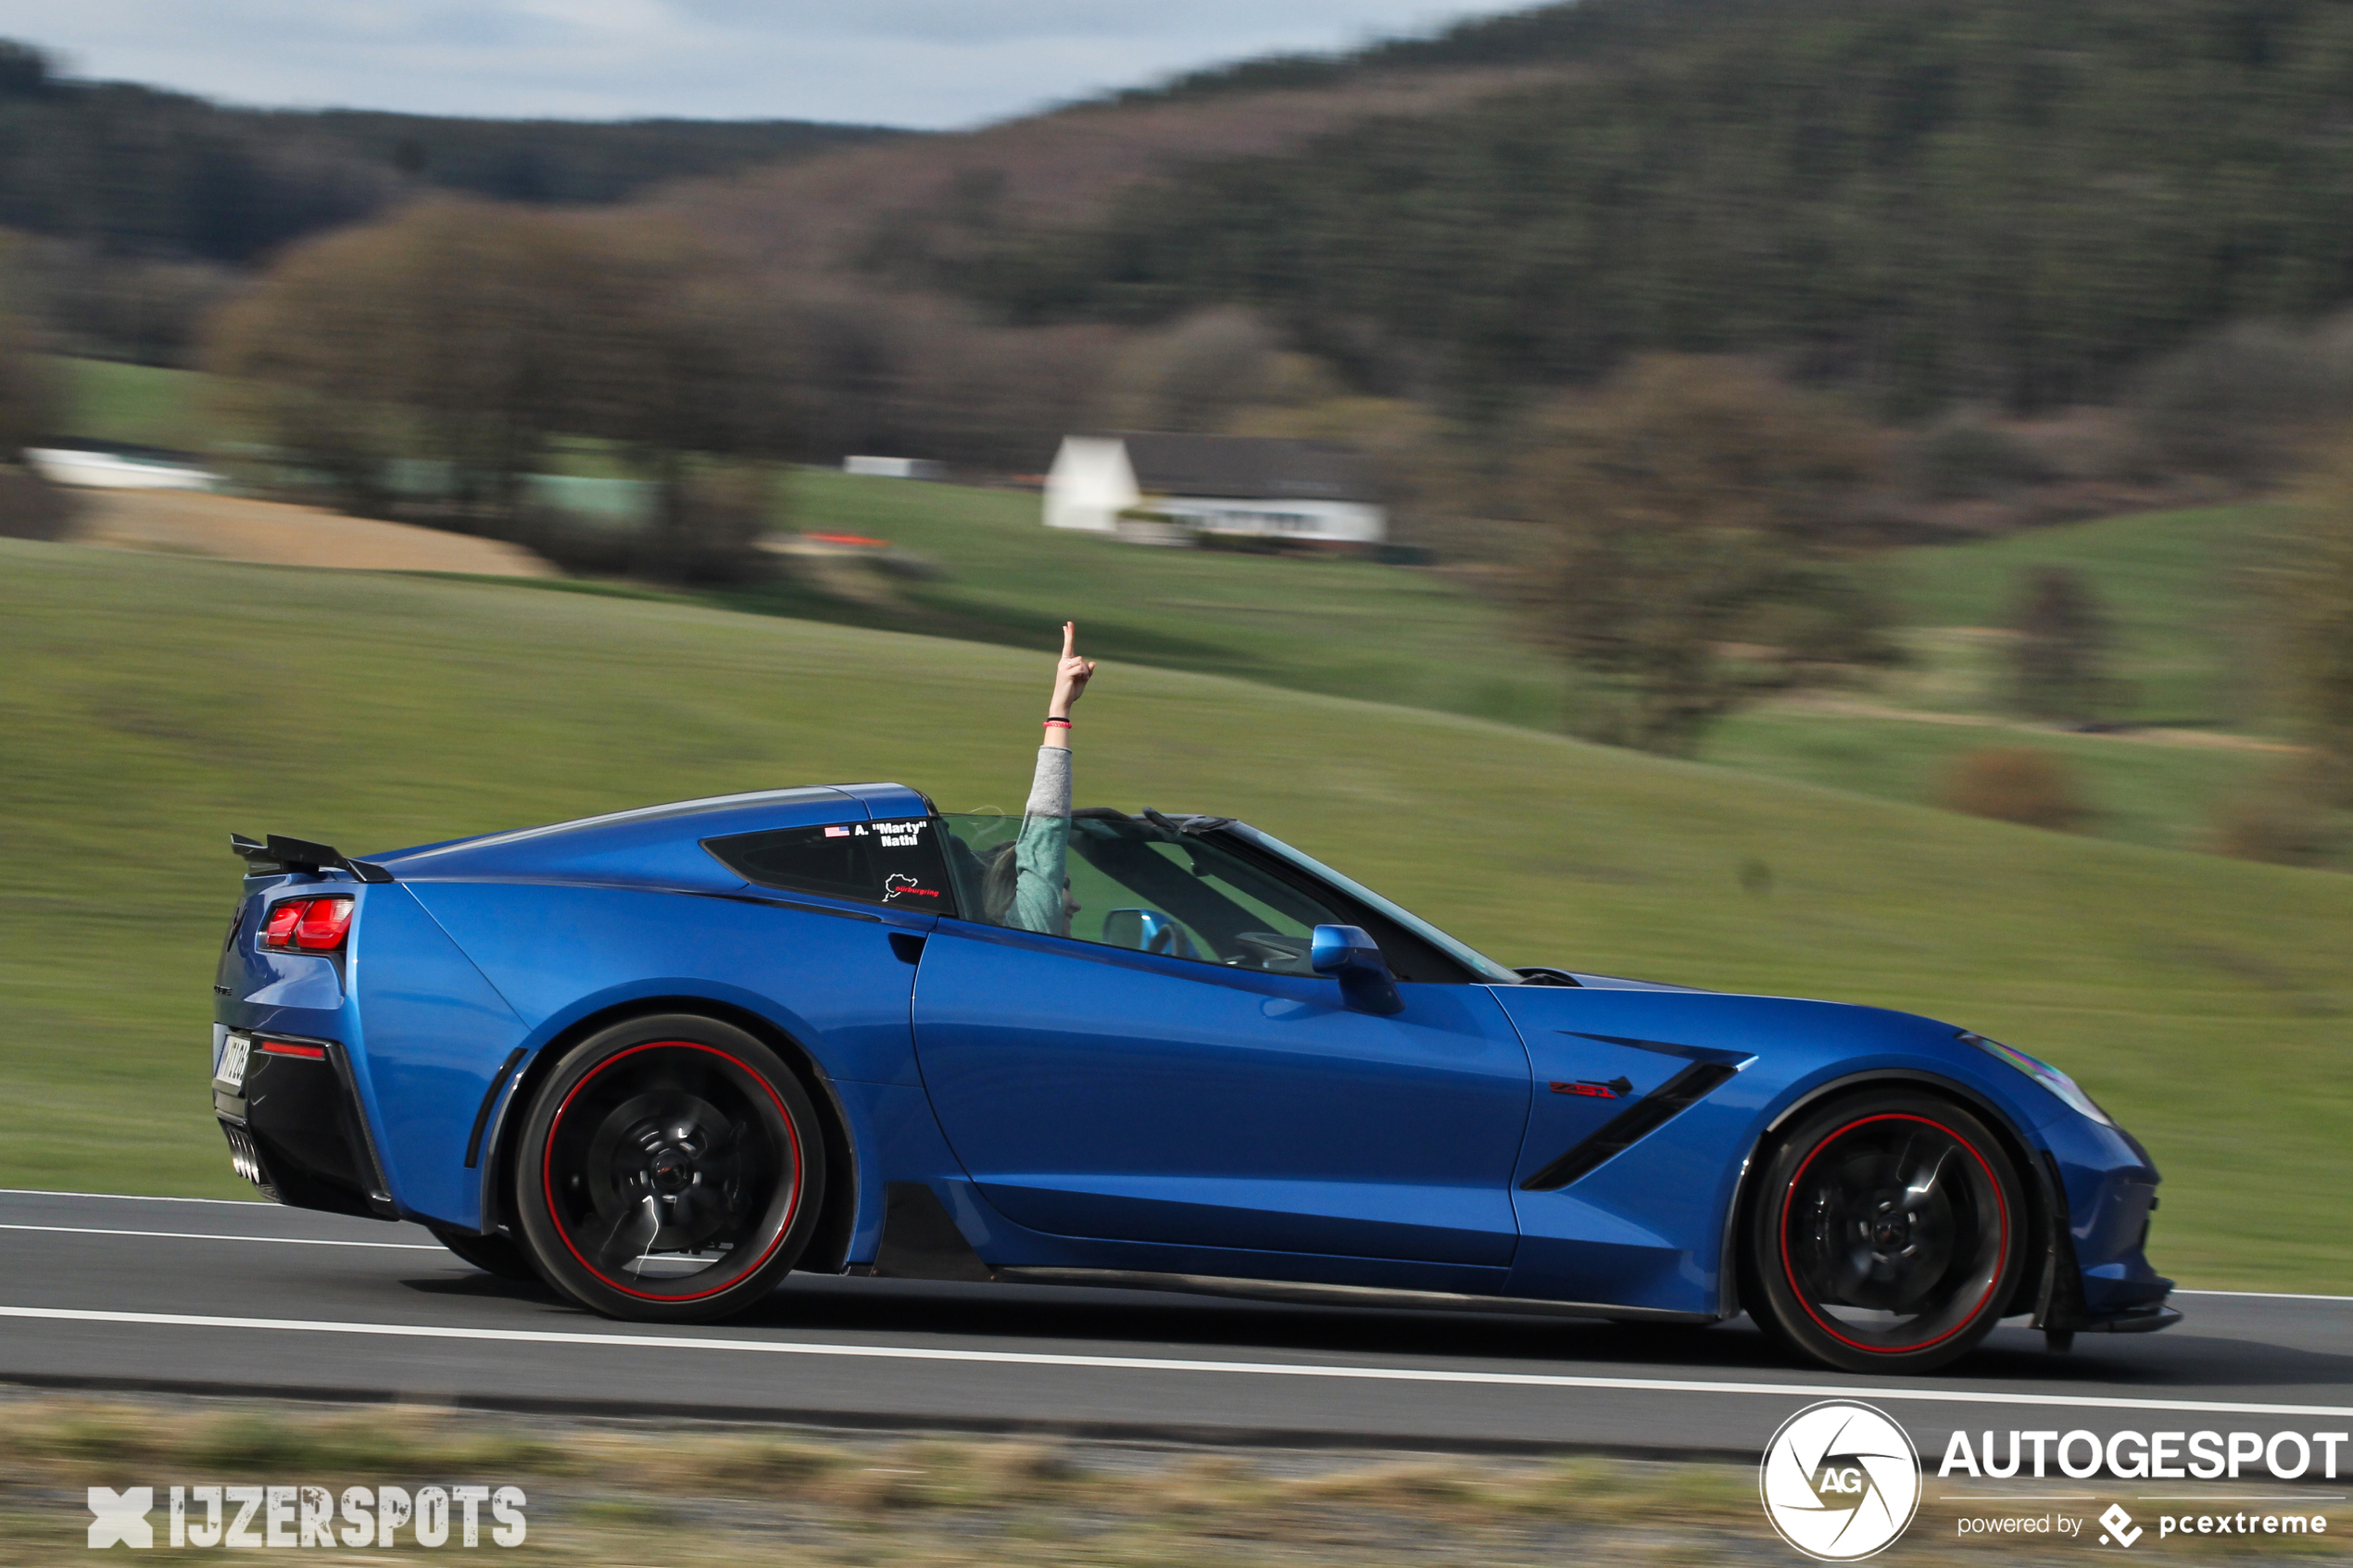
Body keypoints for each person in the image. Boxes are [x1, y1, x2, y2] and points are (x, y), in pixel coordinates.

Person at [982, 621, 1094, 934]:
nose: (1076, 904)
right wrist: (1060, 710)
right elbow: (1047, 832)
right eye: (1059, 881)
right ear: (1020, 895)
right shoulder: (1027, 932)